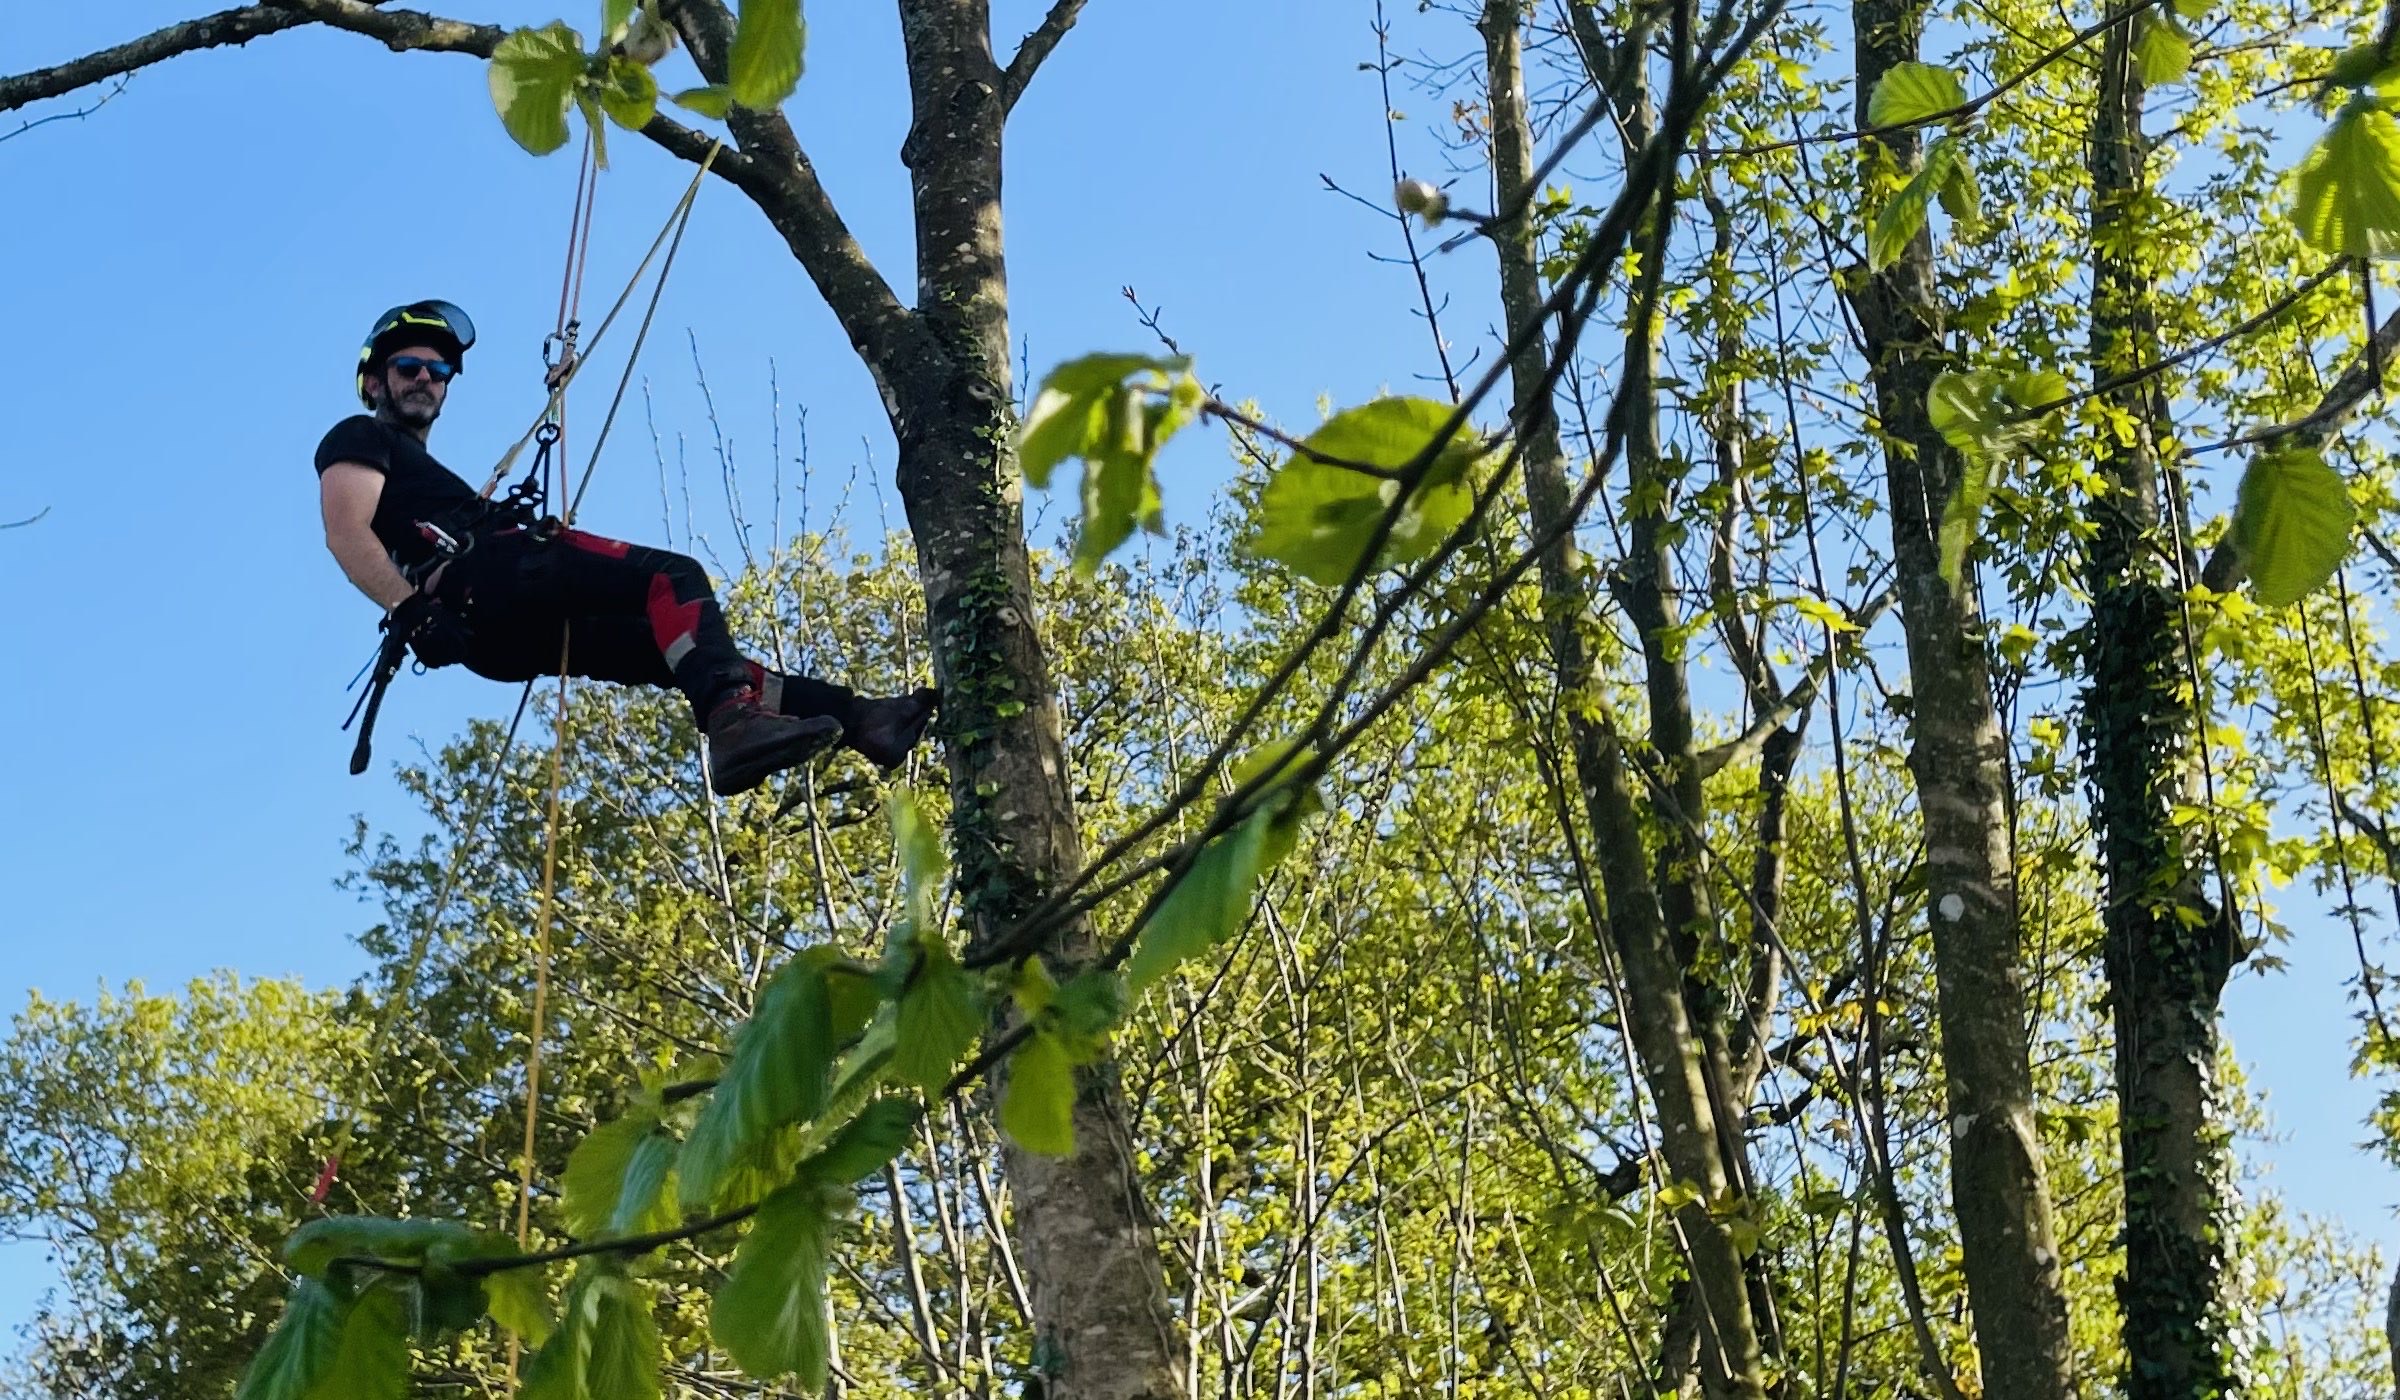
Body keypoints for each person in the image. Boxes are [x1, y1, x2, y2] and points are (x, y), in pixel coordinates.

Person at [317, 300, 936, 796]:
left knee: (681, 651)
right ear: (374, 382)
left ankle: (861, 721)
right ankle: (733, 725)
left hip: (491, 630)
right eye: (408, 367)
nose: (425, 378)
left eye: (439, 371)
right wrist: (412, 610)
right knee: (671, 577)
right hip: (490, 579)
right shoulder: (361, 436)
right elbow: (346, 531)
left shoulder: (428, 481)